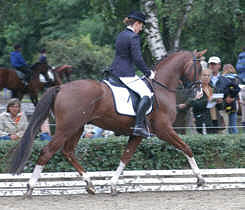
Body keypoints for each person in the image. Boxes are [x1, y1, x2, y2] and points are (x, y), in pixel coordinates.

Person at [110, 11, 155, 138]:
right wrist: (148, 73)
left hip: (114, 71)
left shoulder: (121, 34)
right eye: (141, 25)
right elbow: (138, 59)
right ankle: (139, 126)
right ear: (136, 23)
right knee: (146, 94)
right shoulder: (133, 37)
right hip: (126, 73)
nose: (141, 29)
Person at [178, 68, 215, 134]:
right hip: (201, 120)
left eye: (208, 75)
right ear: (200, 76)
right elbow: (193, 104)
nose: (206, 77)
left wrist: (220, 101)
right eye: (204, 75)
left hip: (214, 120)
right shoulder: (196, 88)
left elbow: (221, 107)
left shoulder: (213, 88)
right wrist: (207, 101)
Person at [218, 64, 240, 134]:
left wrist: (227, 97)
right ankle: (234, 137)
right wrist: (233, 97)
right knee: (232, 123)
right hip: (233, 102)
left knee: (227, 124)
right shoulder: (236, 78)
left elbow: (223, 90)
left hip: (225, 101)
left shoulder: (222, 78)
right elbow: (237, 90)